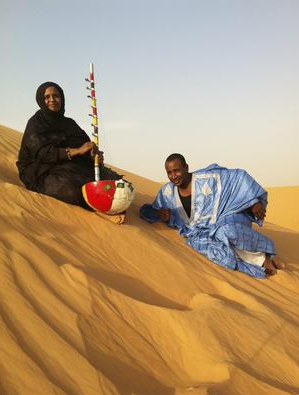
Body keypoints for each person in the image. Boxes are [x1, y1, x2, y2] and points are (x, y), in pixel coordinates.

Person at [140, 153, 284, 278]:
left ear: (186, 168)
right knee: (215, 248)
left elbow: (239, 177)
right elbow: (148, 210)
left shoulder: (208, 178)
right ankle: (262, 260)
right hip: (200, 232)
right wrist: (160, 214)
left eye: (176, 171)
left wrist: (253, 203)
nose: (173, 176)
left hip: (227, 215)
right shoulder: (167, 192)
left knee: (227, 232)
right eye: (169, 172)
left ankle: (267, 255)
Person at [17, 81, 122, 213]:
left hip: (70, 165)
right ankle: (102, 208)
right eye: (47, 97)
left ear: (62, 98)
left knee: (116, 184)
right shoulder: (36, 123)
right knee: (73, 191)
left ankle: (107, 205)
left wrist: (92, 155)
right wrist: (77, 151)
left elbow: (84, 146)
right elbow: (42, 152)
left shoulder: (69, 123)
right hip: (41, 170)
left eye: (56, 96)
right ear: (41, 100)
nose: (52, 100)